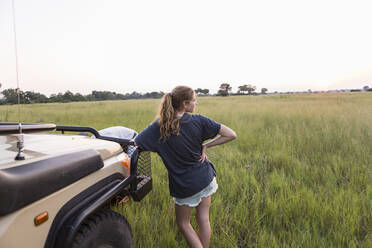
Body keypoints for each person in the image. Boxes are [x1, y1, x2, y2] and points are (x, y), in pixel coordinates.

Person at [134, 85, 236, 248]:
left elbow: (136, 143)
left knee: (183, 223)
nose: (196, 104)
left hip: (185, 184)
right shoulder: (200, 120)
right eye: (194, 101)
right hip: (205, 177)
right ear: (185, 104)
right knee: (203, 218)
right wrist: (206, 146)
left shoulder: (158, 127)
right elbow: (231, 134)